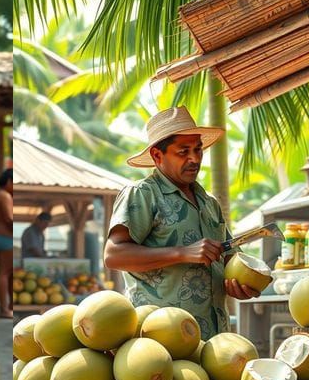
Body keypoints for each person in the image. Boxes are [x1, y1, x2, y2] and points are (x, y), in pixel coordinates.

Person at [105, 107, 262, 344]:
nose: (195, 159)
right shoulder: (143, 194)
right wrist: (182, 253)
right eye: (183, 152)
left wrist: (241, 284)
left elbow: (228, 259)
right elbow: (113, 255)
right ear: (158, 156)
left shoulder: (210, 204)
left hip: (215, 342)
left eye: (198, 150)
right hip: (159, 342)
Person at [0, 169, 14, 318]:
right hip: (6, 237)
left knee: (4, 273)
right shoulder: (5, 195)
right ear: (9, 181)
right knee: (5, 273)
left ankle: (8, 307)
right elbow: (8, 218)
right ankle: (5, 309)